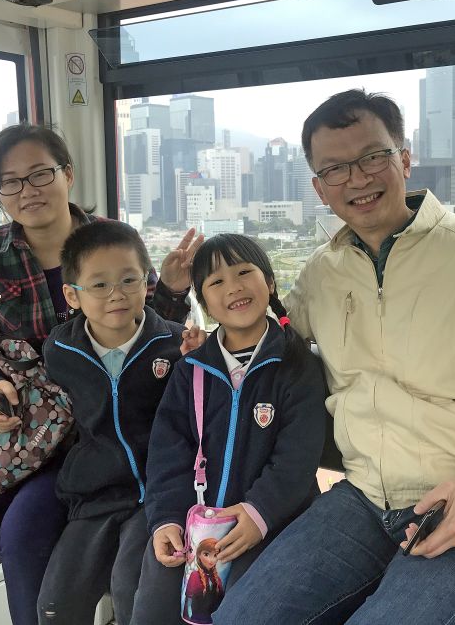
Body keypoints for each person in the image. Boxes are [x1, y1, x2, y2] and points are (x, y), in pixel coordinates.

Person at [211, 90, 455, 624]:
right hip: (361, 500)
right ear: (319, 188)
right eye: (335, 168)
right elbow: (267, 338)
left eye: (373, 156)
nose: (358, 179)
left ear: (404, 159)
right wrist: (173, 308)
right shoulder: (323, 271)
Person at [0, 124, 198, 625]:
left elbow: (147, 333)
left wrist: (169, 288)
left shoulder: (109, 241)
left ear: (68, 175)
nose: (28, 191)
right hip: (9, 431)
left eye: (40, 174)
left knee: (23, 541)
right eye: (10, 182)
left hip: (83, 439)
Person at [131, 233, 327, 625]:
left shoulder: (296, 365)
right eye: (216, 282)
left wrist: (259, 513)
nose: (234, 287)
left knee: (244, 608)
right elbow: (169, 451)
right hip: (195, 523)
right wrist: (166, 519)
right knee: (153, 603)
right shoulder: (192, 369)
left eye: (244, 272)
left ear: (269, 283)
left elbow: (297, 457)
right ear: (203, 301)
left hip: (273, 524)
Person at [36, 219, 186, 624]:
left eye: (129, 280)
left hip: (155, 497)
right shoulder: (61, 350)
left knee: (130, 592)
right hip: (95, 495)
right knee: (56, 605)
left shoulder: (173, 344)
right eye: (99, 285)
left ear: (146, 283)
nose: (116, 294)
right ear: (72, 295)